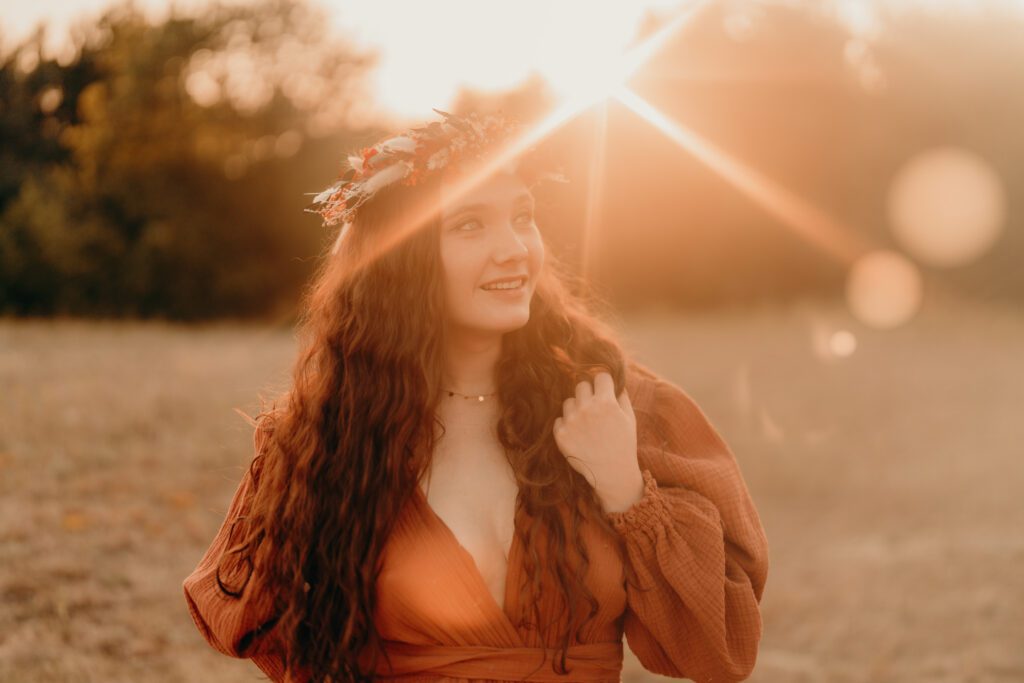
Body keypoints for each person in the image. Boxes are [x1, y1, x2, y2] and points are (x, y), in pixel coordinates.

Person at [182, 109, 769, 683]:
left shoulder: (619, 408)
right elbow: (261, 622)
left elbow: (719, 653)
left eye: (523, 217)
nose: (515, 248)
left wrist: (626, 489)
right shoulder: (334, 432)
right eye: (470, 224)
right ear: (401, 263)